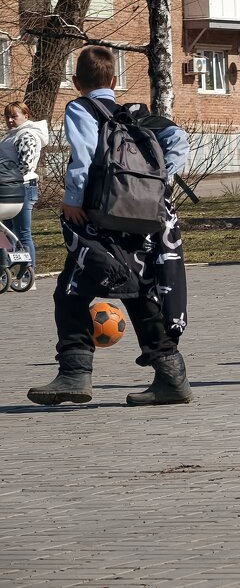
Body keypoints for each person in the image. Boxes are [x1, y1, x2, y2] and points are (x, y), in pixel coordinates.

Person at [27, 45, 192, 407]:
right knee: (134, 290)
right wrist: (156, 184)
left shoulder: (81, 107)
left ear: (75, 82)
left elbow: (84, 155)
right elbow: (179, 140)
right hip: (140, 218)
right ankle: (171, 377)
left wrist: (72, 198)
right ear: (114, 81)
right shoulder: (134, 116)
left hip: (98, 219)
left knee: (70, 292)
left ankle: (74, 374)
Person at [0, 101, 49, 284]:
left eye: (15, 116)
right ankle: (8, 272)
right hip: (9, 188)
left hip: (22, 187)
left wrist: (5, 176)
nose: (10, 120)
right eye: (7, 116)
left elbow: (25, 165)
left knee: (23, 232)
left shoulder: (27, 135)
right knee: (8, 232)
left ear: (26, 116)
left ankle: (28, 275)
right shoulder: (13, 135)